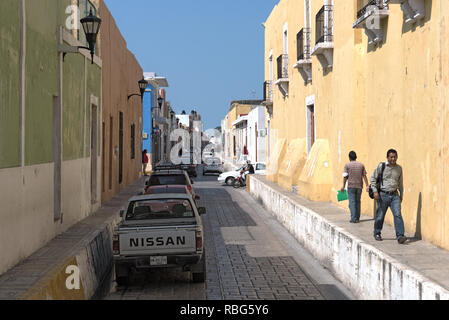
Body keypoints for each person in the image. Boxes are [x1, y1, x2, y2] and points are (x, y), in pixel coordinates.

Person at [370, 149, 406, 244]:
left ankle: (400, 236)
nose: (393, 159)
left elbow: (400, 183)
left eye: (395, 157)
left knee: (397, 215)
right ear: (387, 157)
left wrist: (401, 194)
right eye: (391, 157)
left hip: (394, 195)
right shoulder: (381, 166)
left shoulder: (399, 168)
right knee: (380, 216)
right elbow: (373, 179)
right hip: (383, 195)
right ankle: (377, 232)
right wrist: (375, 192)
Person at [341, 151, 369, 223]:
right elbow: (364, 176)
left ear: (349, 157)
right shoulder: (361, 165)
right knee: (358, 202)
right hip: (359, 186)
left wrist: (343, 186)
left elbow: (345, 176)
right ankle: (357, 218)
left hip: (351, 186)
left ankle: (353, 218)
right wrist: (367, 185)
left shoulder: (347, 165)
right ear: (356, 157)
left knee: (352, 202)